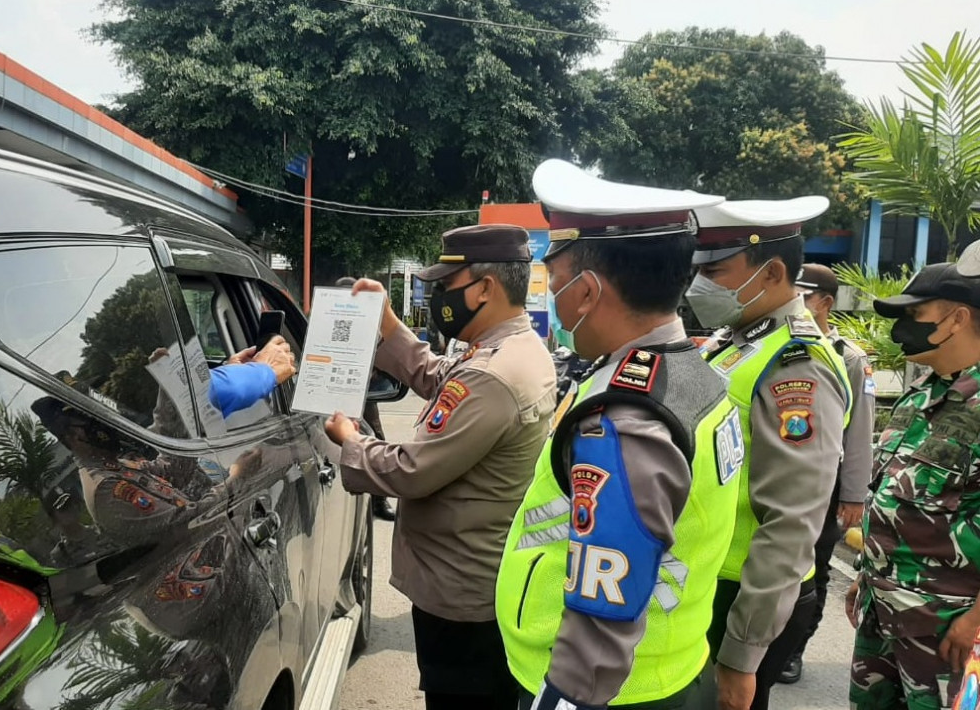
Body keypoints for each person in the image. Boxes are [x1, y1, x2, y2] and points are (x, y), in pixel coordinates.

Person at [499, 159, 741, 710]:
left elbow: (605, 603)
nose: (552, 299)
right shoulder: (695, 374)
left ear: (586, 293)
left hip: (609, 692)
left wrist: (563, 701)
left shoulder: (628, 419)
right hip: (668, 666)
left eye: (555, 282)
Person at [324, 224, 557, 710]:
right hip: (477, 578)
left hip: (463, 594)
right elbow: (438, 377)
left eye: (445, 287)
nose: (436, 297)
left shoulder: (492, 372)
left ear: (485, 288)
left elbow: (412, 470)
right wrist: (388, 322)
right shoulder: (513, 350)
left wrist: (351, 441)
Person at [687, 197, 852, 710]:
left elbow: (793, 517)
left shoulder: (795, 366)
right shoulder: (738, 342)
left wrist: (742, 652)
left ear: (772, 271)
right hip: (711, 580)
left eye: (714, 270)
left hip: (743, 594)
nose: (699, 284)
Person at [847, 246, 980, 710]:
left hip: (948, 627)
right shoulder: (920, 398)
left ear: (957, 319)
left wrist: (976, 622)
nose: (900, 328)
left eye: (915, 314)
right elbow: (890, 495)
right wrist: (866, 577)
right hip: (883, 613)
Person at [778, 263, 877, 684]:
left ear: (825, 304)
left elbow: (860, 431)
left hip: (824, 481)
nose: (794, 304)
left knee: (814, 566)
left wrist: (853, 494)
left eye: (803, 296)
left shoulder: (847, 358)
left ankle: (793, 648)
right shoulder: (777, 345)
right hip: (776, 476)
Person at [336, 276, 397, 522]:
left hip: (365, 392)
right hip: (331, 390)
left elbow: (388, 360)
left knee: (375, 438)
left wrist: (371, 373)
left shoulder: (372, 326)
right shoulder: (327, 322)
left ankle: (378, 501)